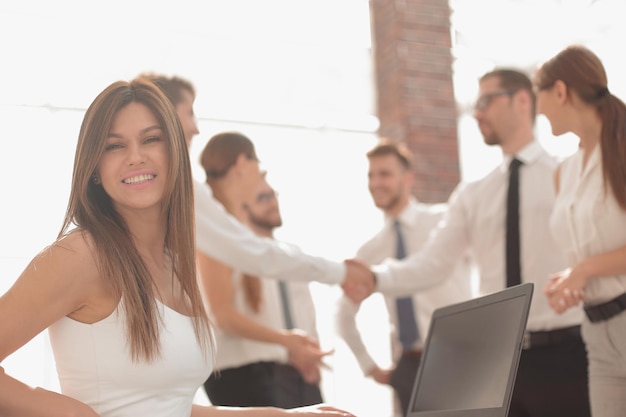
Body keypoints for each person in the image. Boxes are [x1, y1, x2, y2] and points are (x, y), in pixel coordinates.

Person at [0, 77, 357, 417]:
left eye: (151, 139)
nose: (135, 157)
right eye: (115, 145)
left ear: (175, 153)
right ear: (94, 167)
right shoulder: (81, 254)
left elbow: (170, 407)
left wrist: (285, 415)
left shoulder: (175, 263)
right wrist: (73, 412)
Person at [349, 69, 591, 417]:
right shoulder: (472, 194)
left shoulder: (569, 173)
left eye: (485, 101)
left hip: (564, 352)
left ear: (522, 101)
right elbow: (433, 263)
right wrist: (377, 279)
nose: (476, 113)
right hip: (496, 361)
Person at [139, 73, 373, 300]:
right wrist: (340, 272)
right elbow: (254, 255)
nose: (196, 128)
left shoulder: (169, 187)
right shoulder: (176, 188)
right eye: (189, 113)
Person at [335, 138, 474, 416]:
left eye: (384, 174)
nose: (376, 183)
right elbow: (343, 314)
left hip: (459, 358)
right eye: (371, 175)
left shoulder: (443, 222)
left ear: (408, 178)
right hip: (409, 367)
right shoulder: (371, 249)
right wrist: (369, 365)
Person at [196, 132, 327, 408]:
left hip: (266, 369)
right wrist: (286, 341)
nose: (261, 179)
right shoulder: (218, 229)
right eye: (260, 169)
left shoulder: (233, 228)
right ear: (243, 163)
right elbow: (222, 314)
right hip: (241, 372)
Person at [535, 45, 626, 417]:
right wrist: (569, 284)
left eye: (538, 96)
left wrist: (585, 269)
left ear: (559, 92)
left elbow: (590, 262)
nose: (538, 110)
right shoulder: (565, 171)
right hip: (596, 334)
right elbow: (584, 256)